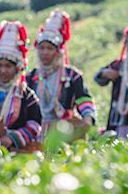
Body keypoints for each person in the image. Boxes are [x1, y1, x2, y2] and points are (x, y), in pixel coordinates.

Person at [26, 9, 95, 138]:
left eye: (50, 48)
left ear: (58, 51)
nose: (45, 52)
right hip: (36, 132)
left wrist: (88, 118)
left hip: (64, 130)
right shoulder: (30, 77)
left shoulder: (72, 76)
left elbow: (83, 99)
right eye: (41, 48)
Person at [0, 20, 42, 151]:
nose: (3, 71)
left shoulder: (26, 95)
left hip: (15, 151)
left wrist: (11, 139)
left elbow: (34, 124)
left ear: (17, 69)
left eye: (8, 66)